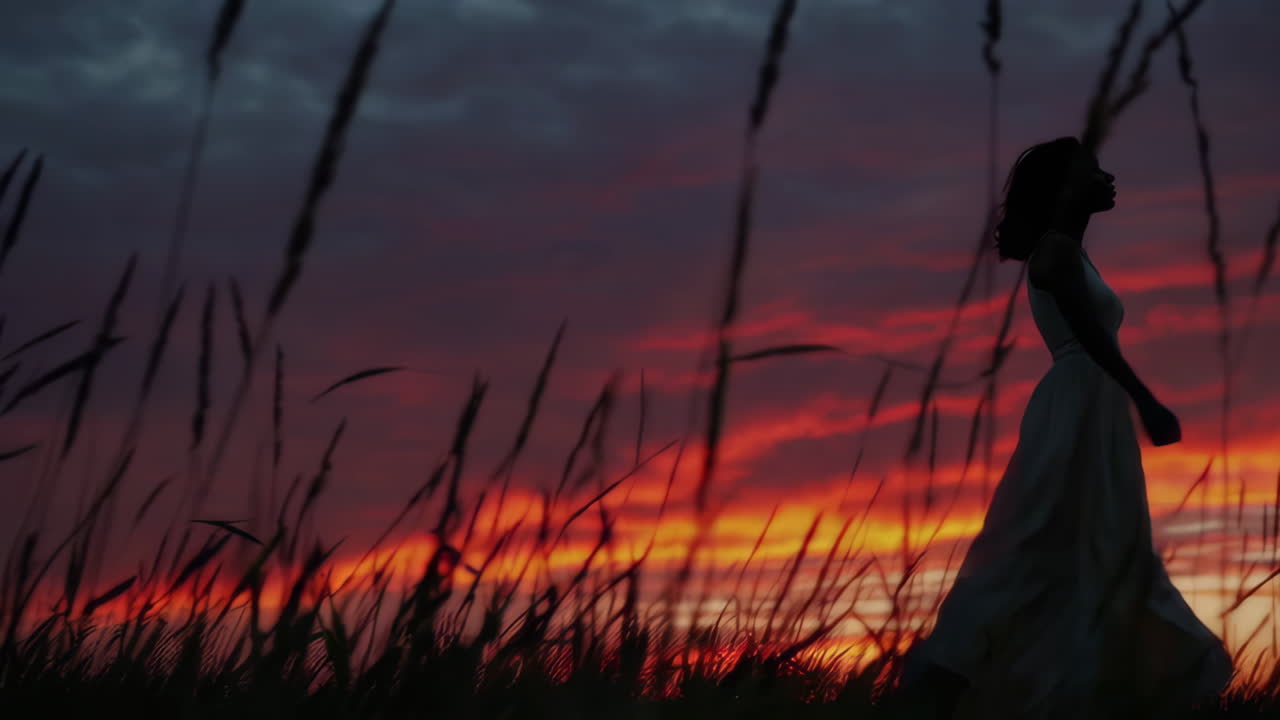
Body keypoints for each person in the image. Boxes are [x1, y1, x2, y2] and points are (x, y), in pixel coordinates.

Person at [887, 136, 1234, 719]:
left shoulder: (1069, 251)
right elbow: (1091, 337)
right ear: (1066, 187)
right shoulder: (1054, 253)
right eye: (1093, 169)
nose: (1108, 177)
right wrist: (1146, 399)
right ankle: (933, 687)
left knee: (1098, 552)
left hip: (1094, 413)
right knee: (1031, 547)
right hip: (1076, 408)